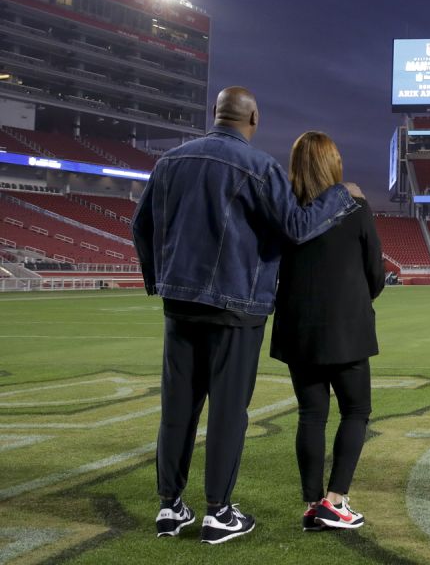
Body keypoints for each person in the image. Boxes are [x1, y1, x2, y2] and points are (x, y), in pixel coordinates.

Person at [132, 87, 361, 544]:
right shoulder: (259, 167)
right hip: (237, 308)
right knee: (228, 412)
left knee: (177, 409)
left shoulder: (170, 162)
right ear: (253, 117)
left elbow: (141, 226)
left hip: (180, 305)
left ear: (216, 114)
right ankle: (219, 512)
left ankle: (170, 507)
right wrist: (339, 196)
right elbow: (296, 227)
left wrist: (160, 282)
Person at [270, 131, 385, 530]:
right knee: (356, 411)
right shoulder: (354, 208)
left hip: (297, 328)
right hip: (347, 327)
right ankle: (335, 501)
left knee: (311, 416)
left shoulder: (284, 211)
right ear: (333, 164)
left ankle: (311, 502)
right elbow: (376, 273)